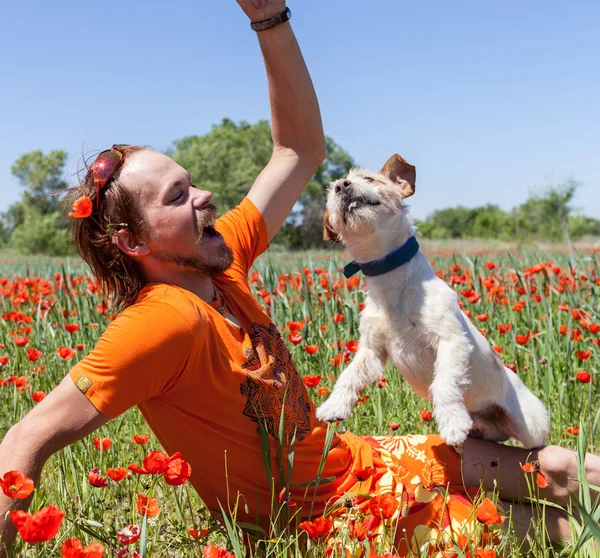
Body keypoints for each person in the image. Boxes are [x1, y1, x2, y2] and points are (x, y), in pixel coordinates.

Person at [0, 1, 599, 555]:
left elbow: (298, 148)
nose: (205, 195)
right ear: (133, 242)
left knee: (567, 470)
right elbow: (28, 437)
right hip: (328, 518)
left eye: (192, 182)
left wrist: (269, 17)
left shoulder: (221, 258)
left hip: (360, 462)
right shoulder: (161, 322)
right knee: (541, 530)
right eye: (178, 196)